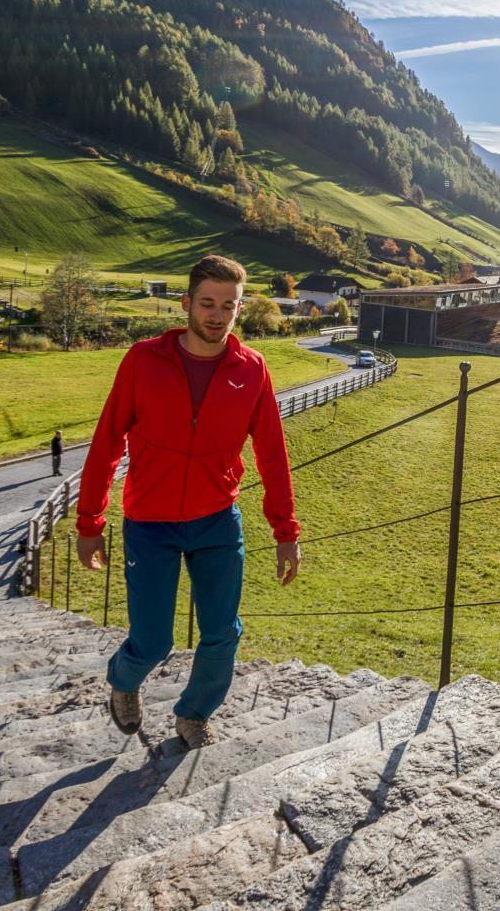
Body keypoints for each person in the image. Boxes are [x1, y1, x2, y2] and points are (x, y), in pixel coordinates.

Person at [75, 254, 301, 748]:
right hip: (149, 523)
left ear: (239, 310)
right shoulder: (143, 360)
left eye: (229, 306)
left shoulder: (252, 369)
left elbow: (272, 454)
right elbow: (108, 440)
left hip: (217, 520)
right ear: (187, 304)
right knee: (154, 640)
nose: (217, 315)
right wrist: (89, 521)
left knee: (222, 632)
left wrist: (287, 533)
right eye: (207, 303)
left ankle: (194, 714)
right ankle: (123, 678)